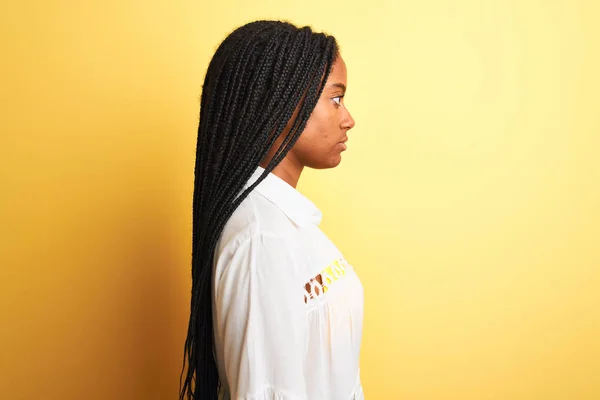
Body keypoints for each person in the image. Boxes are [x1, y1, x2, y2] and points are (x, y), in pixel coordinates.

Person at [180, 20, 363, 400]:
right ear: (281, 101)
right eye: (335, 98)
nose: (348, 119)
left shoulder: (281, 225)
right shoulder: (262, 241)